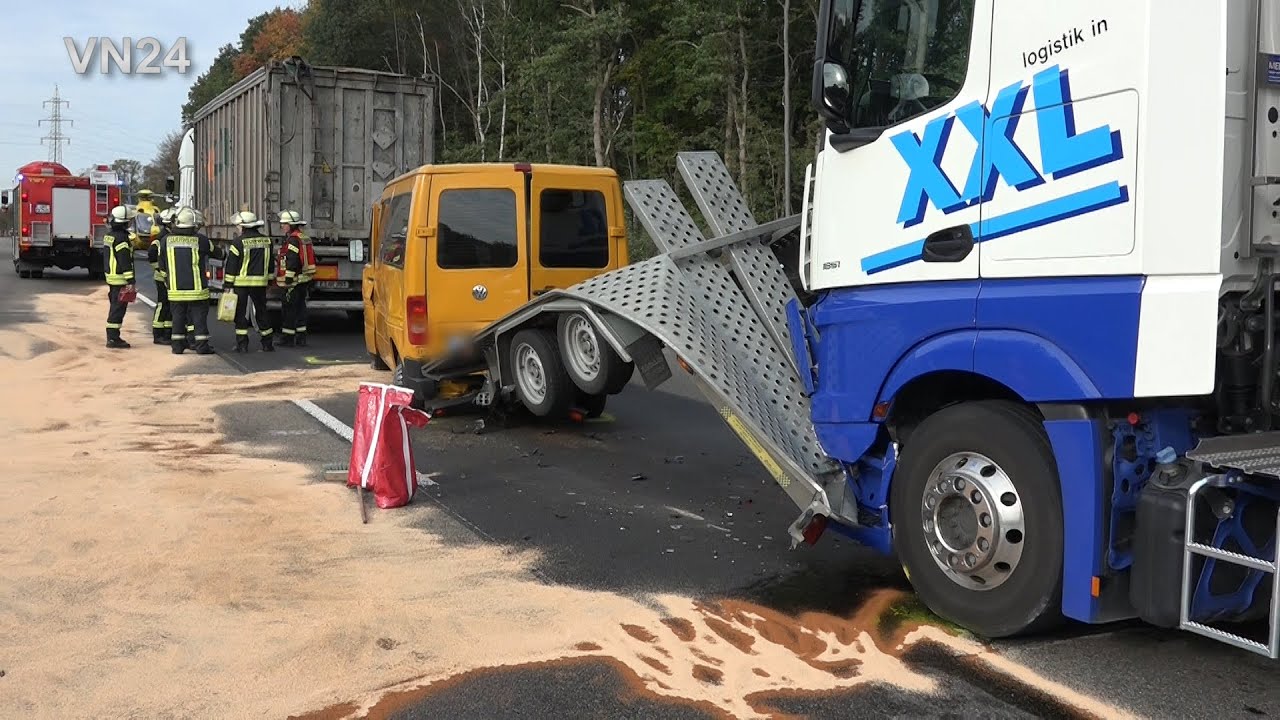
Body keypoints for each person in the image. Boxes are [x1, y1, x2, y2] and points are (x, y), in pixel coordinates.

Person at [158, 207, 214, 355]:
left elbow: (161, 264)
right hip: (197, 290)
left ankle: (177, 347)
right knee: (199, 318)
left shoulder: (165, 240)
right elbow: (217, 253)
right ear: (193, 224)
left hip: (175, 289)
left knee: (177, 317)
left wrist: (167, 280)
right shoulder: (201, 240)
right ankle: (202, 346)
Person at [224, 211, 275, 353]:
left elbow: (231, 266)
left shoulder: (238, 242)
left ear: (244, 227)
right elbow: (270, 263)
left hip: (241, 284)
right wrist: (270, 280)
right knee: (262, 312)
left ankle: (242, 345)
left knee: (240, 314)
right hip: (260, 284)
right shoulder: (267, 241)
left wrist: (228, 285)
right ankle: (267, 344)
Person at [276, 210, 315, 347]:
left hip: (294, 281)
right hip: (303, 280)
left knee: (289, 309)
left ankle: (288, 338)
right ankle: (301, 337)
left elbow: (292, 260)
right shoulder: (303, 237)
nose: (282, 227)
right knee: (300, 308)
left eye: (284, 224)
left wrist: (288, 279)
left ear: (291, 225)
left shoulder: (292, 239)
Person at [103, 205, 136, 349]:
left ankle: (112, 336)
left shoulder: (110, 235)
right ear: (125, 222)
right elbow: (124, 260)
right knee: (118, 308)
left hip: (111, 277)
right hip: (119, 278)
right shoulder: (122, 238)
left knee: (115, 307)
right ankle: (113, 338)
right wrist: (131, 280)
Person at [147, 207, 176, 344]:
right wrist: (161, 272)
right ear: (169, 223)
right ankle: (157, 334)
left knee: (170, 305)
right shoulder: (161, 238)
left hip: (170, 277)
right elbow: (152, 256)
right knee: (163, 304)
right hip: (162, 278)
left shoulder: (169, 236)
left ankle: (167, 333)